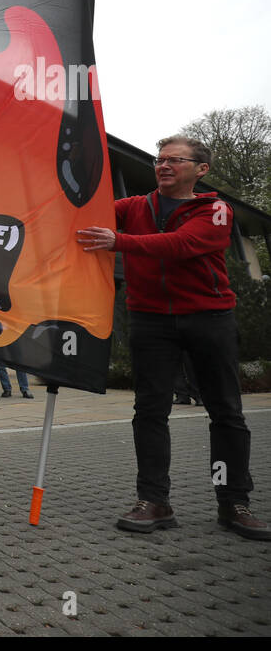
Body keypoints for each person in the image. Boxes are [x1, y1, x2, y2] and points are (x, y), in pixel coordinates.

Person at [78, 134, 269, 540]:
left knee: (226, 413)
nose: (163, 166)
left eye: (174, 161)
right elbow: (81, 215)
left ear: (200, 170)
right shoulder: (134, 207)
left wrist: (120, 242)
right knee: (149, 411)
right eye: (160, 160)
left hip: (209, 318)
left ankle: (233, 502)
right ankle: (155, 501)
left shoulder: (216, 209)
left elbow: (181, 245)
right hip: (150, 320)